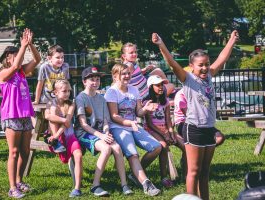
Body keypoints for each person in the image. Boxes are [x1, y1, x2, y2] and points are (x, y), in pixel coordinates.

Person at [152, 30, 239, 200]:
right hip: (194, 129)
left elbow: (222, 59)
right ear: (192, 66)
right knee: (193, 171)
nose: (205, 67)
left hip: (208, 129)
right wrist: (161, 44)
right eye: (201, 65)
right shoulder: (188, 79)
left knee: (205, 172)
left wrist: (231, 41)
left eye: (206, 64)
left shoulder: (209, 77)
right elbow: (172, 63)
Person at [105, 63, 162, 196]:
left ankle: (135, 174)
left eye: (128, 73)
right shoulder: (112, 92)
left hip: (134, 126)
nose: (127, 76)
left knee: (157, 147)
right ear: (115, 76)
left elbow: (139, 112)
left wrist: (145, 109)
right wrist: (130, 123)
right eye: (123, 73)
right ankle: (146, 184)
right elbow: (114, 116)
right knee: (133, 153)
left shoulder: (134, 90)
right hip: (119, 127)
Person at [75, 66, 133, 197]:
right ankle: (95, 185)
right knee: (106, 149)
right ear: (84, 81)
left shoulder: (101, 98)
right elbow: (83, 124)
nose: (95, 82)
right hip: (84, 133)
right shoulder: (81, 98)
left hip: (100, 133)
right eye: (92, 80)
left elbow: (106, 121)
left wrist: (106, 133)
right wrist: (101, 135)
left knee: (117, 148)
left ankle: (124, 184)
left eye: (97, 79)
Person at [0, 28, 41, 198]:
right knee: (14, 152)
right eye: (15, 54)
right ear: (7, 59)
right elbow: (16, 65)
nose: (19, 57)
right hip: (11, 115)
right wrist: (23, 44)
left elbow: (37, 59)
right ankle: (12, 187)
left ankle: (19, 181)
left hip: (25, 115)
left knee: (25, 152)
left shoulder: (22, 72)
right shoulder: (3, 74)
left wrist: (30, 45)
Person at [143, 75, 185, 188]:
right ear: (151, 87)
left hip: (165, 129)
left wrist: (171, 133)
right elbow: (150, 124)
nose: (161, 87)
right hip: (152, 129)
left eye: (162, 85)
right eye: (158, 85)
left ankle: (186, 173)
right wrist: (164, 135)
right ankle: (163, 177)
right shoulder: (147, 102)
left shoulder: (165, 101)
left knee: (185, 145)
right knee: (164, 146)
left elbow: (168, 120)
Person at [45, 79, 83, 197]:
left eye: (68, 91)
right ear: (55, 92)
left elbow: (67, 123)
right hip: (55, 136)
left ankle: (77, 188)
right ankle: (57, 142)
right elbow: (47, 116)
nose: (67, 93)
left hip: (69, 135)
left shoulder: (71, 103)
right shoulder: (51, 103)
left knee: (78, 155)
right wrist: (63, 120)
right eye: (63, 91)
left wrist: (58, 132)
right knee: (52, 111)